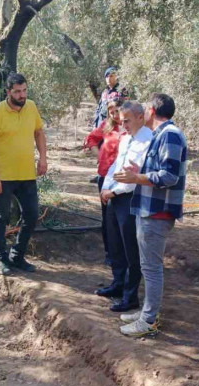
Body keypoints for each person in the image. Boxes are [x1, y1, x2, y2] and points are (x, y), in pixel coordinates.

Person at [113, 93, 187, 337]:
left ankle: (148, 321)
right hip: (148, 210)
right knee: (147, 266)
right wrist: (139, 172)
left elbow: (169, 176)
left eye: (145, 107)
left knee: (151, 268)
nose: (141, 111)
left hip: (157, 212)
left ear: (152, 111)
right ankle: (147, 311)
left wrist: (137, 178)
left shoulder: (170, 135)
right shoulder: (160, 136)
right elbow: (158, 172)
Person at [0, 72, 48, 276]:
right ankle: (2, 259)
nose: (22, 95)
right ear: (8, 92)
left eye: (24, 90)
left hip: (27, 174)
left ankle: (17, 256)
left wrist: (43, 157)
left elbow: (38, 132)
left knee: (32, 214)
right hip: (4, 176)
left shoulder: (32, 107)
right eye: (17, 91)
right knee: (1, 217)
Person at [97, 101, 153, 312]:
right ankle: (118, 284)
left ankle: (131, 296)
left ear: (141, 117)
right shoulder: (126, 138)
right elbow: (116, 166)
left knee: (131, 248)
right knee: (115, 244)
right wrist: (106, 187)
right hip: (113, 196)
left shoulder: (148, 140)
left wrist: (115, 190)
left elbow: (134, 173)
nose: (124, 125)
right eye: (122, 121)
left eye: (127, 121)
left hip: (130, 198)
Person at [84, 99, 127, 266]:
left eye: (117, 111)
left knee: (122, 216)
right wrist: (99, 154)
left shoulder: (130, 126)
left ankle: (124, 252)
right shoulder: (106, 126)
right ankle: (110, 253)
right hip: (105, 176)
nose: (114, 115)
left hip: (124, 177)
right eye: (111, 112)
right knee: (107, 216)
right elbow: (90, 139)